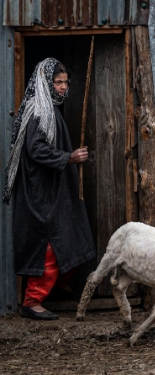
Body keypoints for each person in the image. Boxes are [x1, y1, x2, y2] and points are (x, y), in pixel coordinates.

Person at [3, 57, 96, 320]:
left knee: (68, 236)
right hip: (40, 193)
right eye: (58, 82)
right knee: (49, 245)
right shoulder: (38, 111)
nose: (64, 87)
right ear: (46, 83)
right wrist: (69, 158)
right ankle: (32, 301)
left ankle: (61, 285)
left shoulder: (48, 108)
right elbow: (36, 149)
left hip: (51, 189)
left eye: (66, 82)